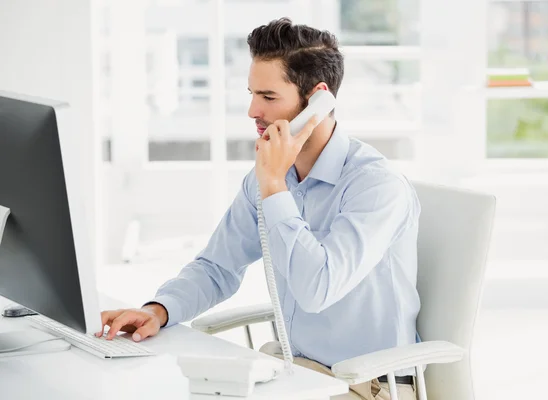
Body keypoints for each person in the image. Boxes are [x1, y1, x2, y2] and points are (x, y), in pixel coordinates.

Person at [97, 17, 421, 400]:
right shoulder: (269, 179)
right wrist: (158, 310)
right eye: (252, 94)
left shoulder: (374, 186)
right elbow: (217, 266)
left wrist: (273, 187)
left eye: (268, 97)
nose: (253, 110)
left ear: (318, 99)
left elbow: (316, 289)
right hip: (297, 373)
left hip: (368, 385)